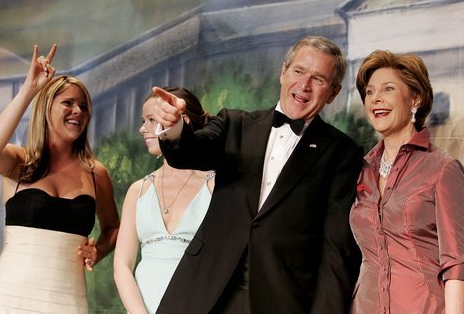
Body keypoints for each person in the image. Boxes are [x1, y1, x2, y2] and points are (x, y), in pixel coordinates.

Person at [151, 36, 363, 313]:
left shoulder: (341, 153)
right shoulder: (235, 124)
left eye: (318, 79)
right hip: (204, 291)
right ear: (283, 72)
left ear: (333, 93)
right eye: (298, 71)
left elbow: (336, 251)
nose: (304, 85)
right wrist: (174, 127)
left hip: (280, 299)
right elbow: (189, 152)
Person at [0, 44, 120, 313]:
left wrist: (98, 251)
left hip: (68, 297)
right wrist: (30, 89)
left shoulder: (95, 172)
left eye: (83, 107)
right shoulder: (19, 162)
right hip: (13, 295)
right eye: (68, 103)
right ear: (46, 108)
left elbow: (113, 228)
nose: (78, 111)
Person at [349, 50, 464, 314]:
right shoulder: (360, 170)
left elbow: (456, 264)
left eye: (388, 88)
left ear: (415, 98)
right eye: (369, 92)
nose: (376, 99)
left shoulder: (442, 169)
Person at [113, 87, 214, 314]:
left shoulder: (214, 186)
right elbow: (122, 266)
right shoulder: (138, 191)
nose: (142, 129)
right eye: (143, 120)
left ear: (181, 120)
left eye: (151, 120)